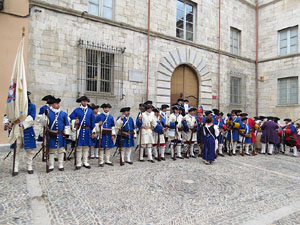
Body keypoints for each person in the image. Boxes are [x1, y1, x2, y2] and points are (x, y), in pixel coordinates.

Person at [8, 91, 37, 175]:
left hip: (27, 130)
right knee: (15, 150)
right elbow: (7, 116)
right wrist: (11, 121)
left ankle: (29, 166)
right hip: (16, 130)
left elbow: (32, 117)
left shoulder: (32, 106)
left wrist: (22, 123)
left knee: (29, 150)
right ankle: (15, 167)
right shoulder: (14, 107)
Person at [41, 97, 71, 171]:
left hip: (60, 135)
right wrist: (45, 116)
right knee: (51, 150)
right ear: (52, 104)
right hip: (51, 135)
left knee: (61, 150)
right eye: (56, 103)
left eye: (58, 103)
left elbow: (67, 124)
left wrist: (67, 134)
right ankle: (51, 165)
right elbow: (44, 124)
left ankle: (60, 165)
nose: (58, 105)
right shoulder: (48, 113)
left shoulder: (63, 114)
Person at [69, 96, 95, 170]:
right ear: (81, 102)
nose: (84, 102)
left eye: (86, 101)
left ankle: (85, 162)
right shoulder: (76, 110)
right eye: (83, 101)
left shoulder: (90, 111)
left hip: (87, 131)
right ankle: (78, 163)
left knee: (86, 148)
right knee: (79, 148)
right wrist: (75, 122)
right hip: (79, 131)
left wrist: (93, 132)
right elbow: (70, 118)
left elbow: (92, 122)